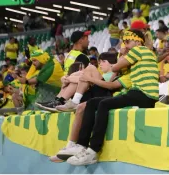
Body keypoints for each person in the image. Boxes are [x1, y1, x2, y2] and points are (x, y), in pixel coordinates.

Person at [66, 30, 158, 166]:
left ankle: (93, 150)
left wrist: (123, 50)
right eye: (124, 43)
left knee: (103, 104)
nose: (125, 45)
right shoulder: (146, 52)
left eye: (127, 42)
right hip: (143, 94)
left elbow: (115, 67)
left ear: (138, 42)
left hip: (142, 93)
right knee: (92, 103)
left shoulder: (138, 50)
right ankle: (81, 145)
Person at [50, 53, 132, 162]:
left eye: (103, 61)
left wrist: (71, 78)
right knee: (80, 108)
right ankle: (71, 146)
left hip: (106, 94)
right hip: (99, 92)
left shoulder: (122, 74)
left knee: (90, 69)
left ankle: (62, 100)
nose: (100, 64)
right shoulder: (112, 74)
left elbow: (110, 85)